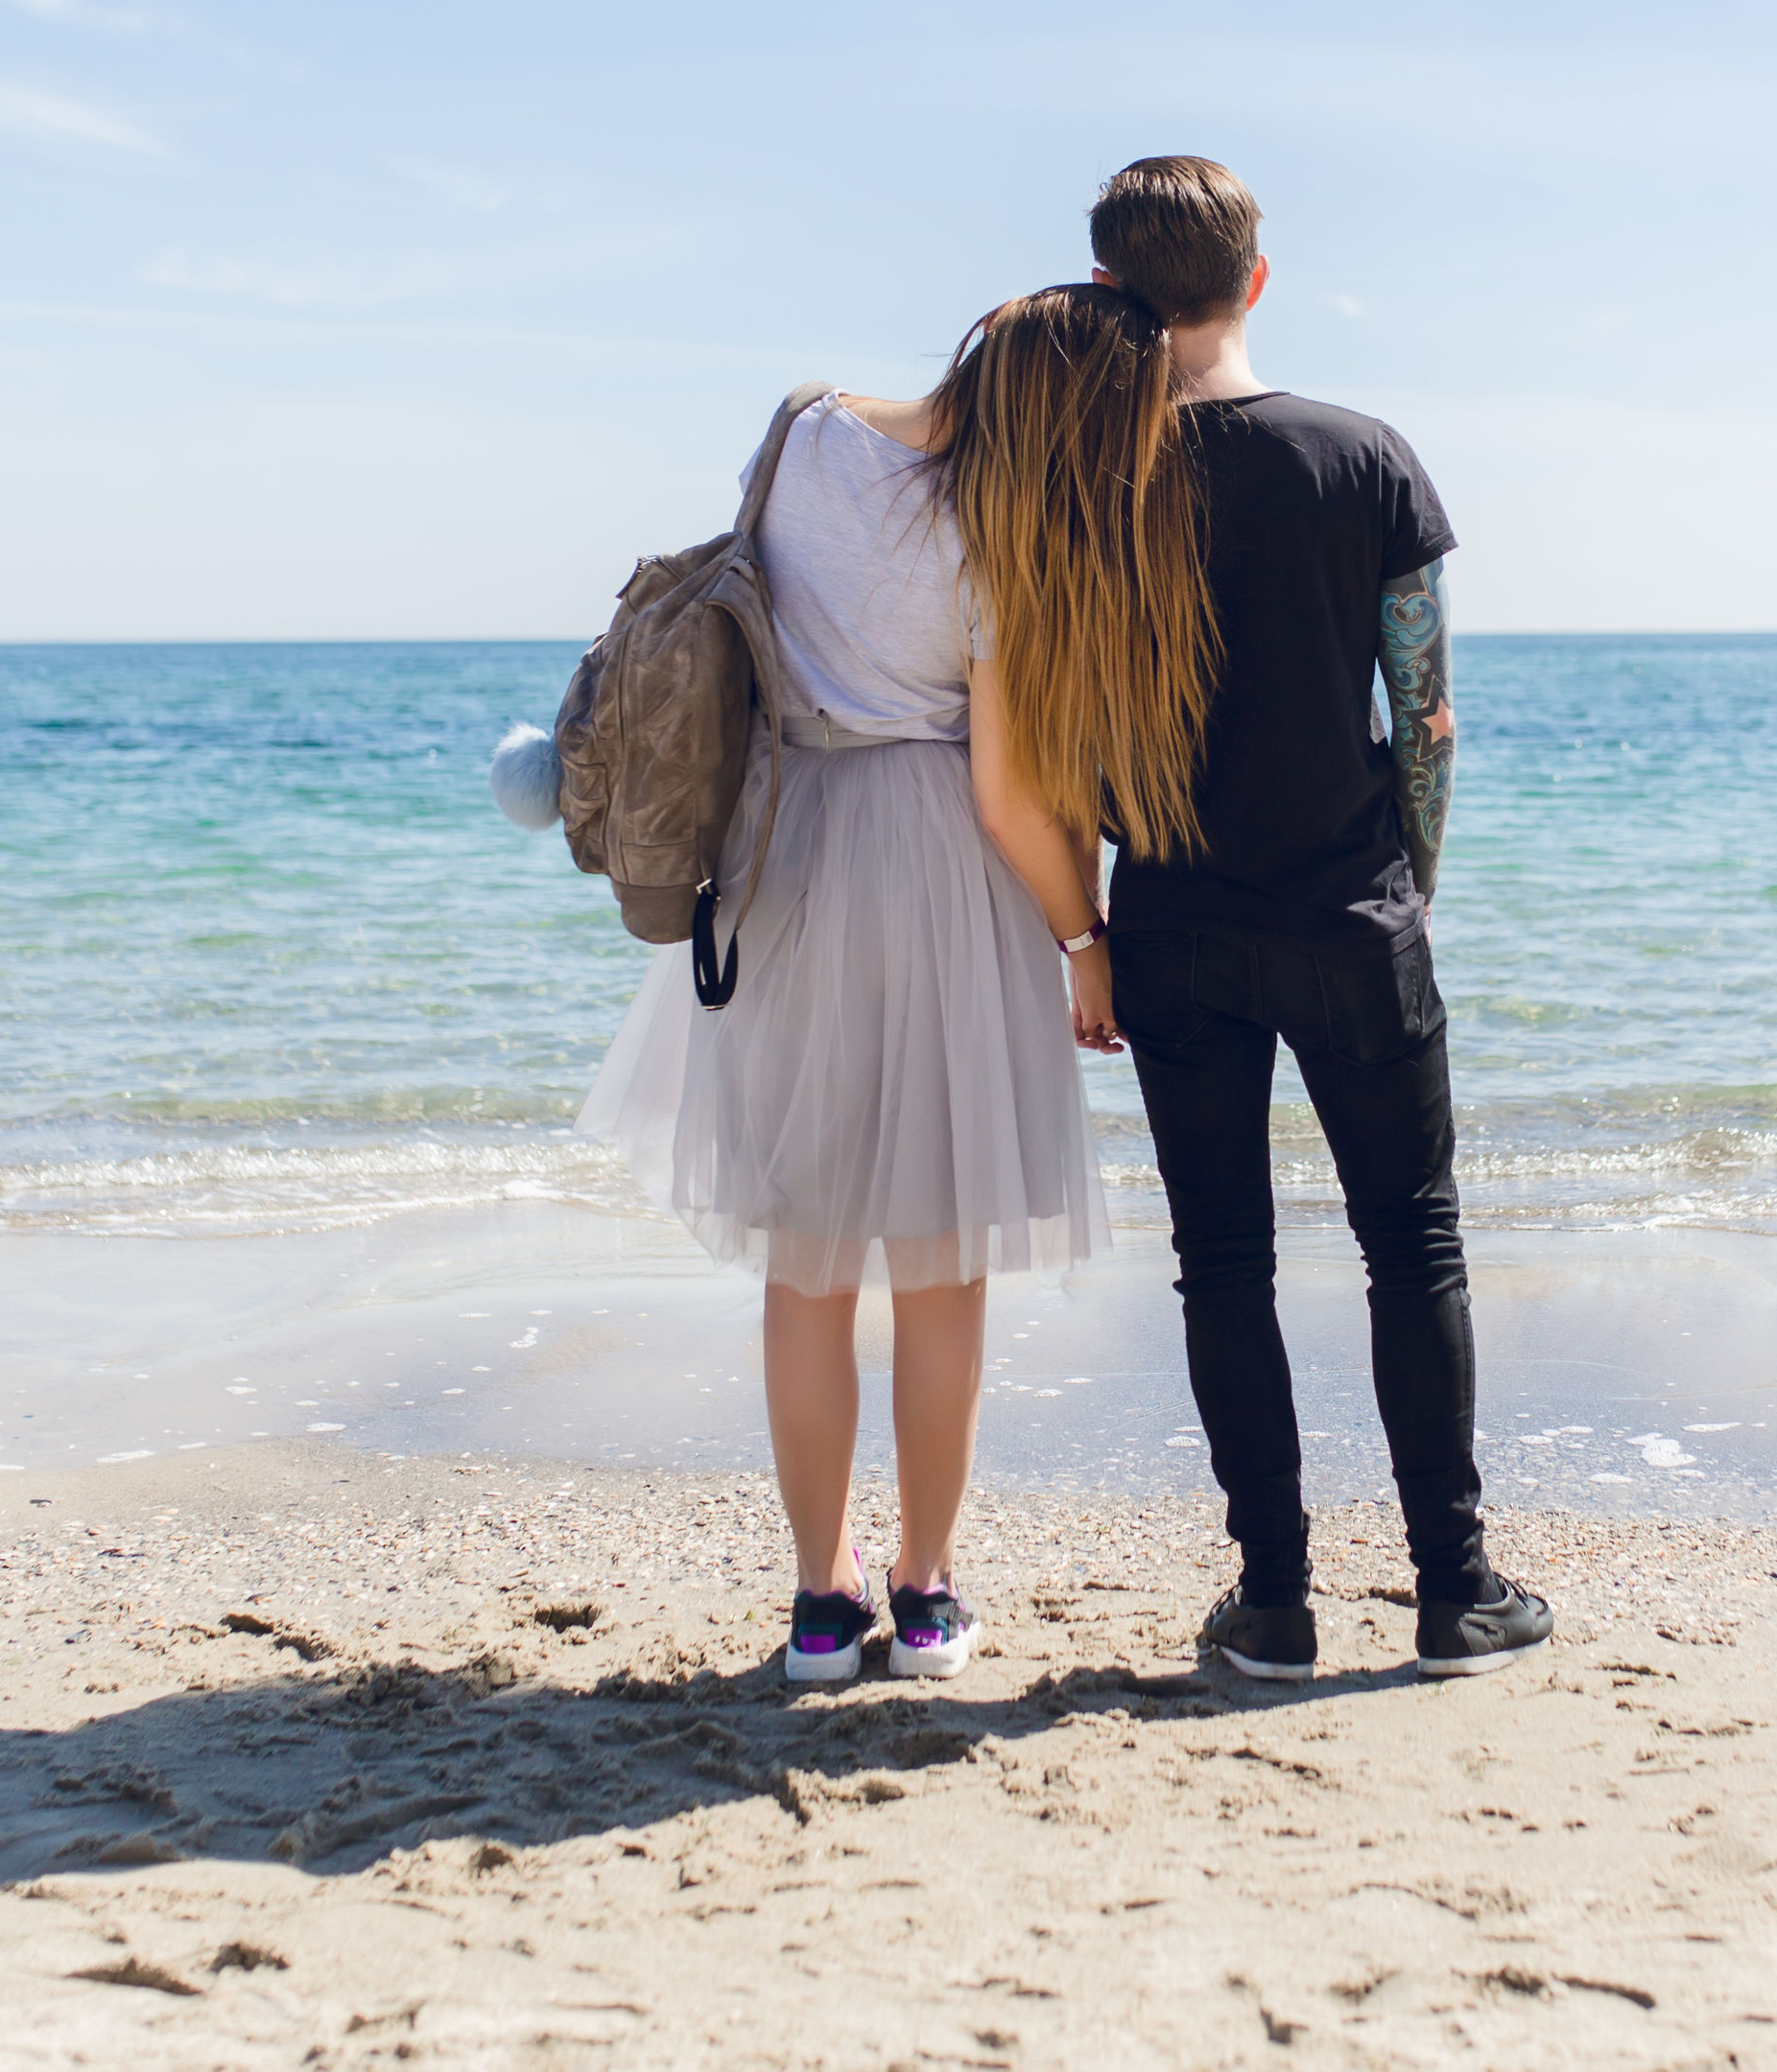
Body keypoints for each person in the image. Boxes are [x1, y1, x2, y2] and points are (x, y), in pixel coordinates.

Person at [579, 286, 1212, 1684]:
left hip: (786, 851)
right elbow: (1005, 794)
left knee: (804, 1268)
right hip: (938, 877)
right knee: (941, 1271)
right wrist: (1083, 938)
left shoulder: (803, 430)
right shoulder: (1005, 534)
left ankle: (819, 1601)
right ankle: (924, 1594)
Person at [1085, 156, 1555, 1679]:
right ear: (1256, 282)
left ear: (1110, 295)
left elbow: (1058, 719)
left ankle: (1274, 1604)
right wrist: (1408, 884)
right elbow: (1426, 719)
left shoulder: (1089, 484)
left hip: (1167, 919)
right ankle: (1452, 1592)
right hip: (1352, 910)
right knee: (1412, 1245)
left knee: (1221, 1260)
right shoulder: (1364, 458)